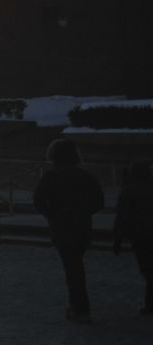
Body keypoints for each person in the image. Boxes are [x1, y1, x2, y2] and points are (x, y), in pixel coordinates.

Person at [33, 138, 106, 323]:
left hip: (62, 227)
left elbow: (38, 201)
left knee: (72, 269)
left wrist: (52, 214)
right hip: (82, 227)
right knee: (75, 267)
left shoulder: (51, 177)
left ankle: (80, 308)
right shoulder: (86, 176)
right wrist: (83, 211)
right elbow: (99, 202)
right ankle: (79, 307)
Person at [113, 160, 152, 317]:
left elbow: (122, 217)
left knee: (148, 269)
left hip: (140, 236)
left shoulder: (128, 192)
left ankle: (150, 305)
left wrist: (117, 240)